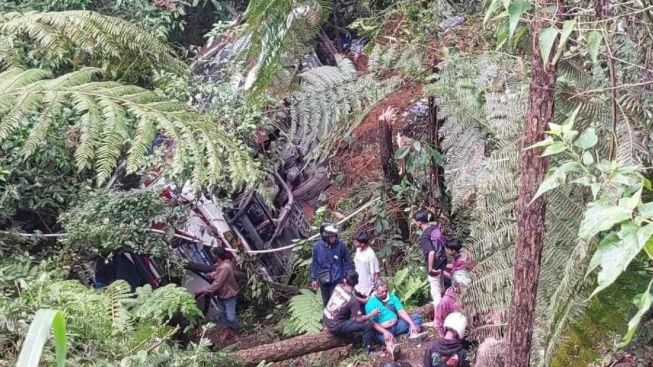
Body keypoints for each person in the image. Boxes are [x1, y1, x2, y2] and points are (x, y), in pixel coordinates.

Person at [365, 278, 424, 360]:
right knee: (388, 339)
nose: (385, 293)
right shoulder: (370, 303)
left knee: (416, 317)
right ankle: (393, 351)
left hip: (396, 325)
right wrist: (384, 331)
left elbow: (401, 311)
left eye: (386, 290)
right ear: (375, 290)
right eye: (382, 291)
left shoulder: (392, 296)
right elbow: (372, 323)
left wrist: (412, 324)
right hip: (382, 330)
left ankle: (414, 333)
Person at [323, 271, 379, 354]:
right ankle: (367, 351)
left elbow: (350, 295)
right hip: (335, 326)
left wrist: (362, 300)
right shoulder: (353, 301)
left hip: (327, 319)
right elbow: (359, 319)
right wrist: (372, 314)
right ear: (356, 283)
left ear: (345, 280)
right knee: (368, 324)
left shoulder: (338, 287)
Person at [195, 246, 239, 331]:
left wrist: (202, 290)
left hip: (229, 295)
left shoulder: (225, 267)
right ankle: (229, 332)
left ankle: (237, 332)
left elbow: (217, 283)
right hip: (222, 295)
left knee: (231, 318)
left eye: (213, 255)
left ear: (216, 256)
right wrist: (212, 274)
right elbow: (218, 273)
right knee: (223, 315)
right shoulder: (221, 265)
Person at [413, 210, 447, 310]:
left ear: (419, 222)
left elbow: (431, 252)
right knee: (441, 289)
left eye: (415, 221)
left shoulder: (424, 236)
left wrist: (430, 268)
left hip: (435, 267)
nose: (415, 223)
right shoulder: (435, 228)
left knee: (436, 293)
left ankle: (438, 320)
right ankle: (446, 311)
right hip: (442, 263)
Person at [311, 223, 353, 305]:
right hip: (323, 279)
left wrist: (345, 276)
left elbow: (348, 262)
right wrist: (314, 279)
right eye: (331, 237)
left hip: (337, 279)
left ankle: (338, 317)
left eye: (334, 236)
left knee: (337, 302)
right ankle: (328, 316)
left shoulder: (340, 245)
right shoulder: (317, 247)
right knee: (326, 301)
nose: (334, 238)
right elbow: (315, 263)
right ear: (325, 237)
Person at [435, 270, 472, 337]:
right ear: (456, 287)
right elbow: (439, 322)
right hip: (455, 335)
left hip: (471, 332)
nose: (466, 289)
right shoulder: (446, 301)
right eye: (463, 287)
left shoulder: (472, 296)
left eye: (467, 286)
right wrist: (444, 338)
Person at [353, 231, 380, 302]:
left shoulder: (371, 255)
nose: (355, 243)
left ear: (363, 244)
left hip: (368, 287)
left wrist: (374, 289)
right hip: (358, 284)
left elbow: (376, 273)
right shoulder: (358, 250)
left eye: (357, 242)